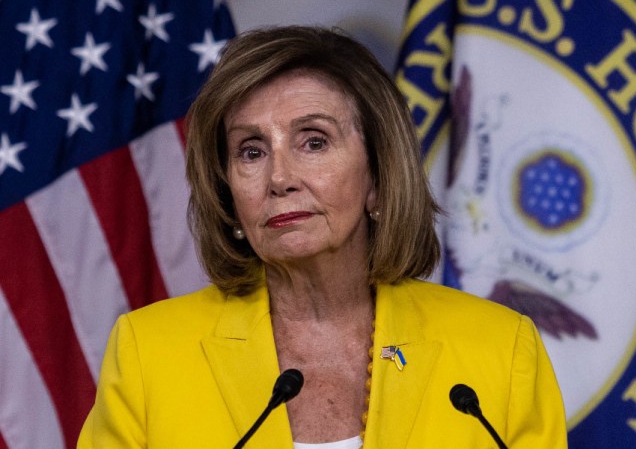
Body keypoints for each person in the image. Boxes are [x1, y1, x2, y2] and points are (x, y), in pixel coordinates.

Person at [77, 26, 567, 448]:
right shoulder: (149, 355)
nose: (279, 177)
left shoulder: (499, 353)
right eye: (251, 151)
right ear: (227, 190)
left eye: (314, 141)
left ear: (377, 176)